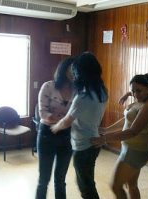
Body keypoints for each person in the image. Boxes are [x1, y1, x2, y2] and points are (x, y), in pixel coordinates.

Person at [51, 52, 108, 199]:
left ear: (81, 73)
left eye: (75, 71)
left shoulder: (83, 97)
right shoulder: (102, 91)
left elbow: (67, 121)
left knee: (86, 187)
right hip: (94, 142)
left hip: (83, 146)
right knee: (88, 181)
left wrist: (55, 127)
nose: (74, 75)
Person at [95, 74, 148, 199]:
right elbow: (126, 121)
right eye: (133, 91)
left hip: (134, 152)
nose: (135, 94)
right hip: (131, 149)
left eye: (139, 91)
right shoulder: (140, 101)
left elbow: (132, 131)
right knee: (132, 185)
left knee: (115, 186)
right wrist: (106, 130)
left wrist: (105, 138)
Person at [36, 57, 75, 199]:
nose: (74, 72)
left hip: (67, 135)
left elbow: (78, 114)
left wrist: (65, 122)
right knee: (43, 180)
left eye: (76, 70)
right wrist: (63, 120)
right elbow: (43, 112)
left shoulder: (77, 90)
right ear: (64, 69)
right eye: (72, 69)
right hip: (48, 134)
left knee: (60, 180)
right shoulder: (48, 86)